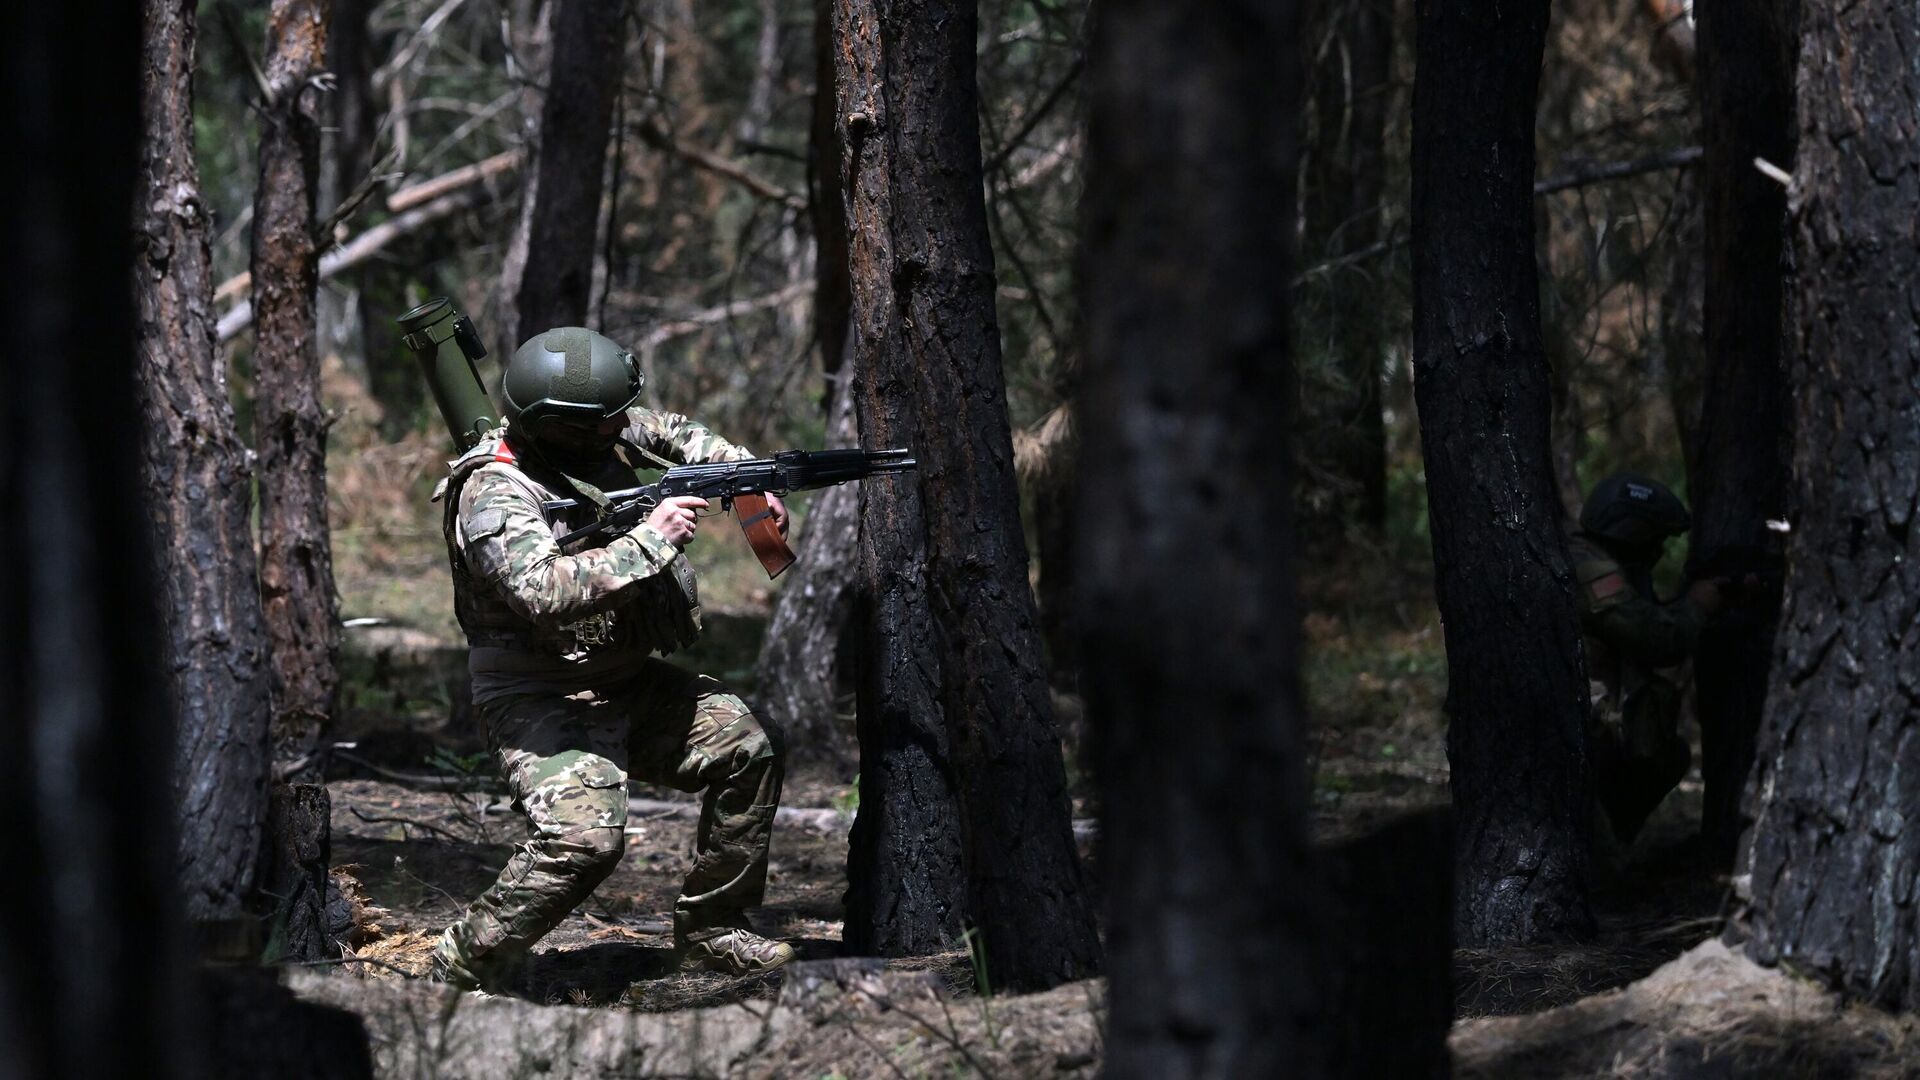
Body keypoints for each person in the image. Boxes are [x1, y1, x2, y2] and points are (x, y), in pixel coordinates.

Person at [429, 326, 794, 992]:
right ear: (558, 427)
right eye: (608, 421)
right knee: (584, 844)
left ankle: (715, 931)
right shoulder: (494, 490)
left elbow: (678, 434)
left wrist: (747, 477)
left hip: (623, 679)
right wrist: (650, 543)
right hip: (538, 696)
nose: (625, 427)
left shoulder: (599, 428)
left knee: (746, 747)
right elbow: (538, 592)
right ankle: (455, 966)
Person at [1568, 473, 1730, 844]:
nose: (1656, 553)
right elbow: (1658, 639)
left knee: (1663, 747)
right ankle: (1601, 855)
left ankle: (1607, 848)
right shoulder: (1591, 570)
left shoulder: (1592, 560)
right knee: (1660, 753)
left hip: (1579, 729)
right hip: (1570, 732)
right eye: (1654, 541)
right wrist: (1699, 606)